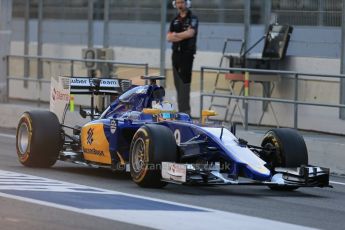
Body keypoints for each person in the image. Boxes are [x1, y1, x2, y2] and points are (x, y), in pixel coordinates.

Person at [167, 0, 198, 115]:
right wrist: (181, 35)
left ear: (187, 3)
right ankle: (181, 111)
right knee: (177, 84)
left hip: (187, 54)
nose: (180, 5)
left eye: (182, 2)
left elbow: (190, 33)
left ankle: (185, 112)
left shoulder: (192, 18)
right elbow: (169, 38)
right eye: (178, 2)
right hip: (176, 54)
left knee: (184, 83)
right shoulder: (174, 19)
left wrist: (176, 35)